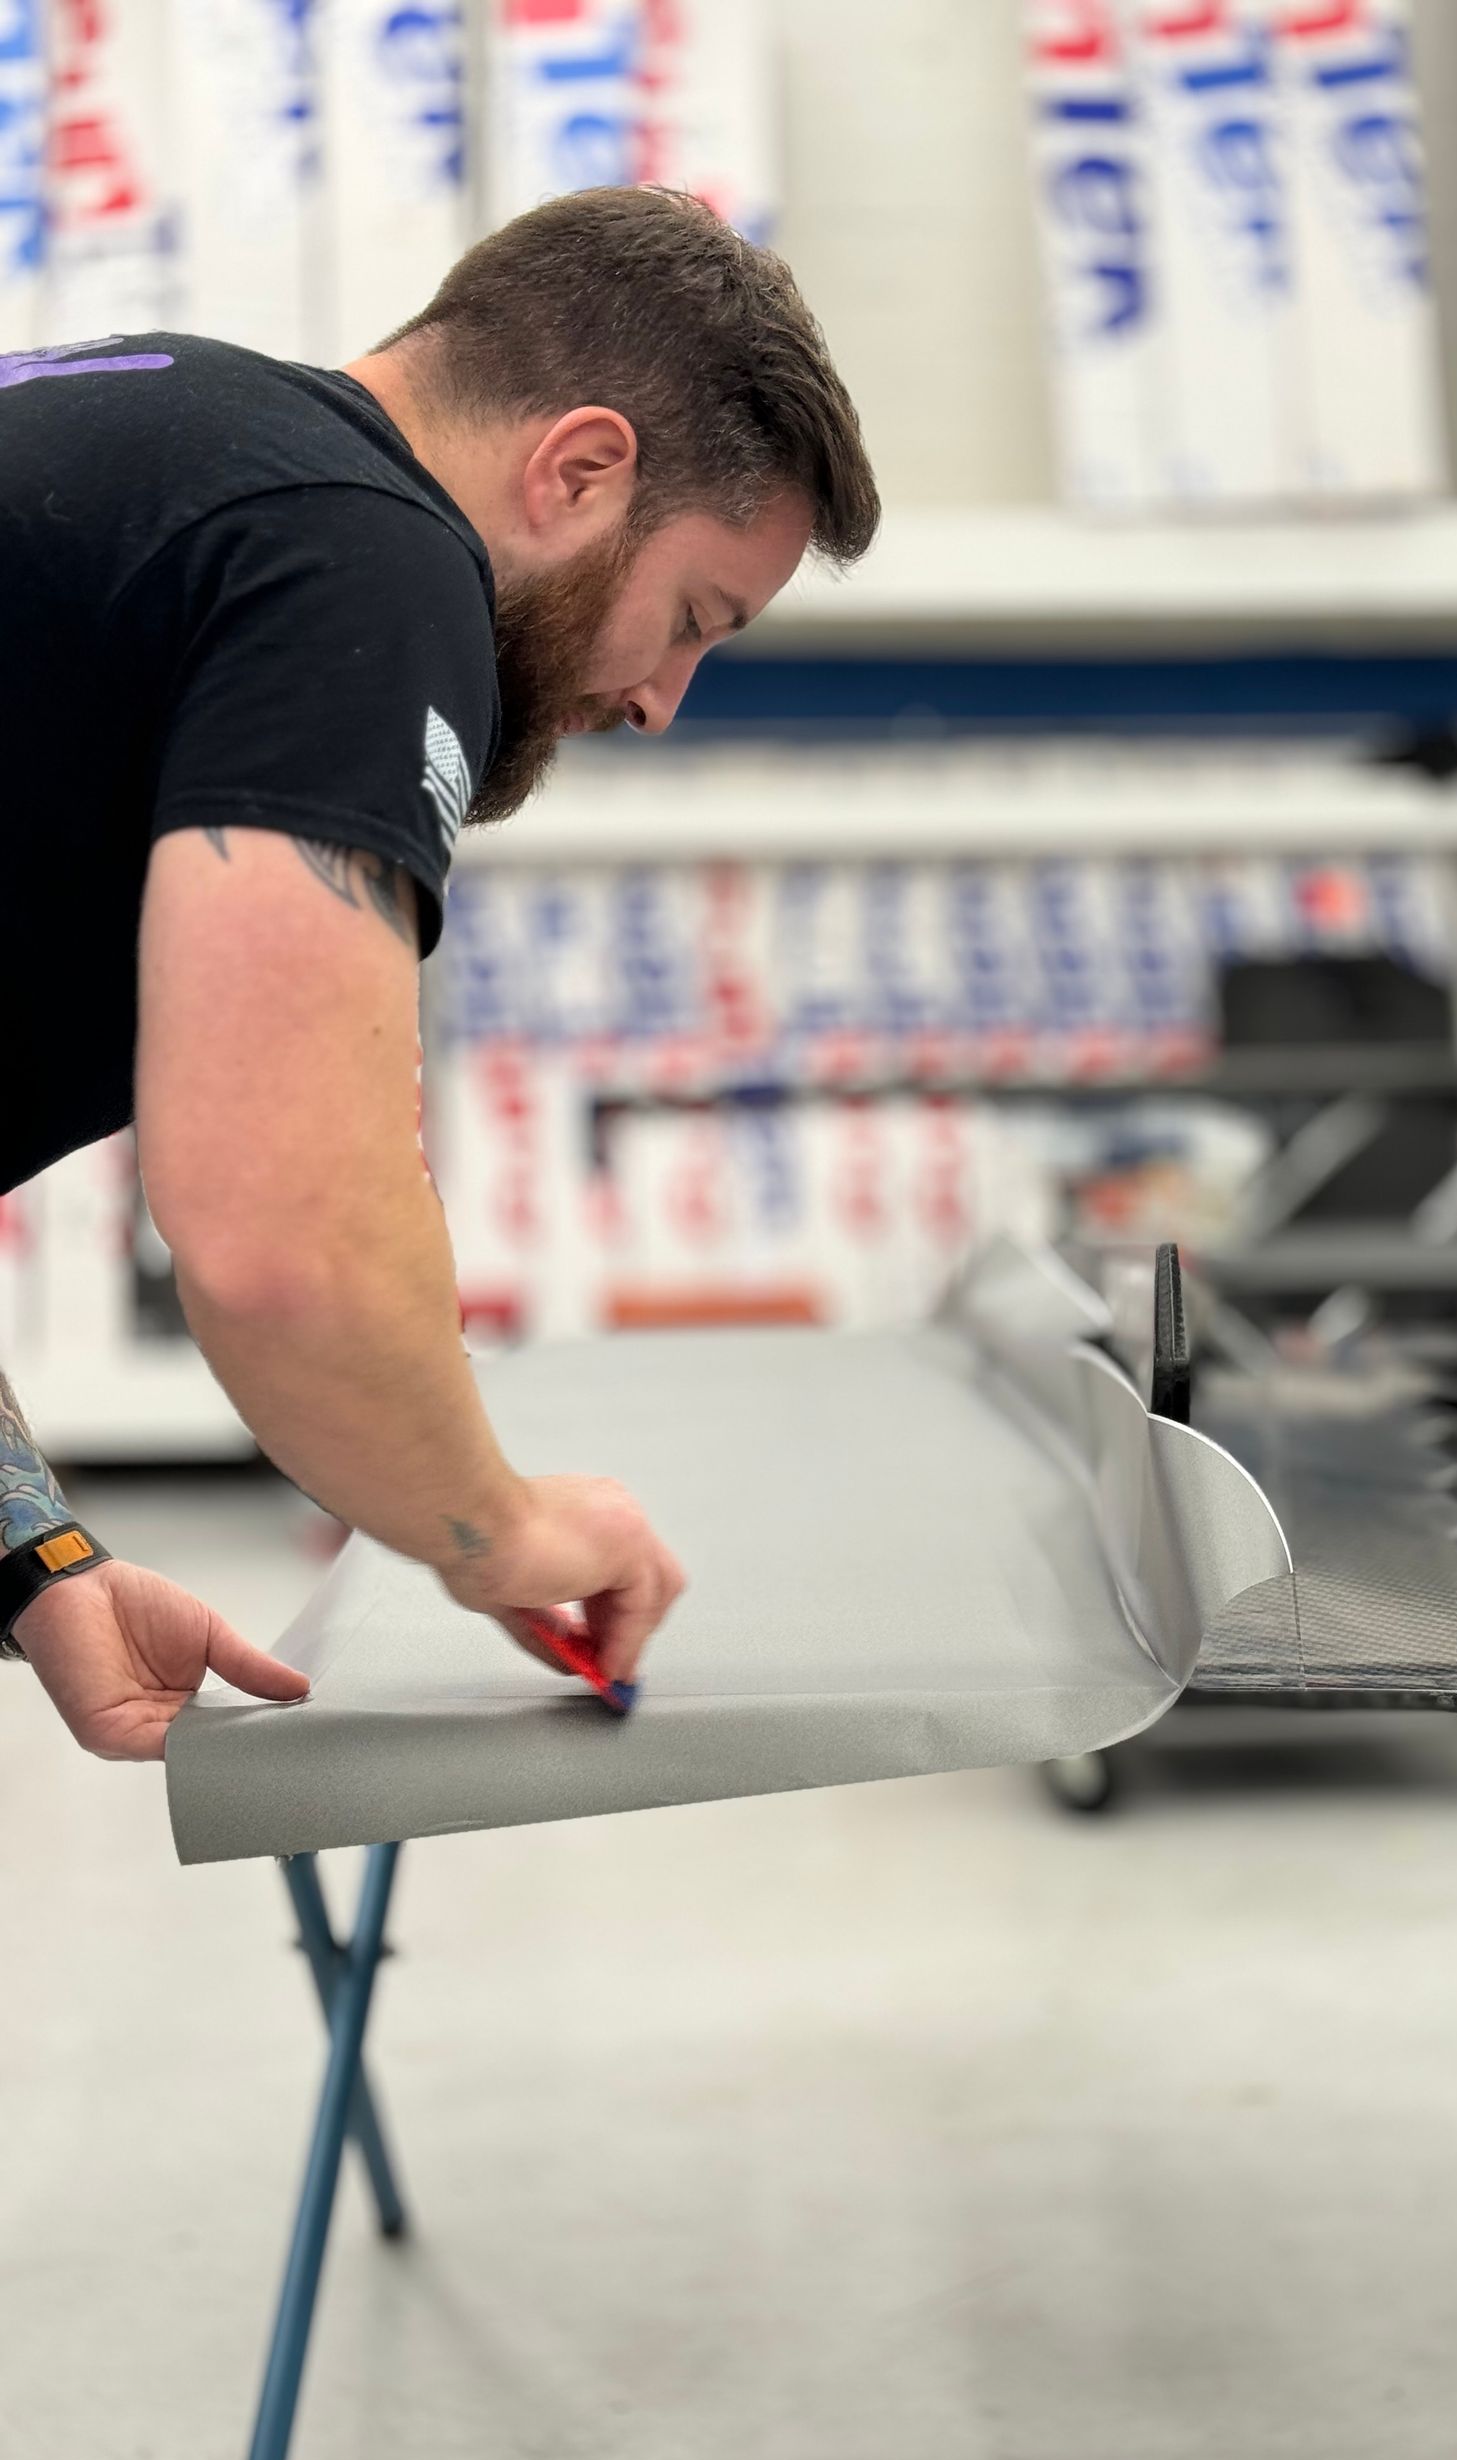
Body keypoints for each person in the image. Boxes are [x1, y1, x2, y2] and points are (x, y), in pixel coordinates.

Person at [0, 186, 880, 1763]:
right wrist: (507, 1530)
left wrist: (30, 1557)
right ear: (581, 469)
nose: (664, 698)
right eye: (690, 617)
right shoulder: (362, 552)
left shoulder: (168, 433)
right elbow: (288, 1235)